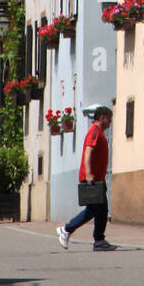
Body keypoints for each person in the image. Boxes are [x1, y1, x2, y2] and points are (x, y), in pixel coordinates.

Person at [57, 105, 115, 251]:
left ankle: (99, 240)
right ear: (103, 118)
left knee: (101, 210)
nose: (110, 122)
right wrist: (89, 174)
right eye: (109, 119)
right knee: (93, 210)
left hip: (98, 179)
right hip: (92, 178)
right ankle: (67, 229)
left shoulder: (98, 132)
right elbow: (88, 151)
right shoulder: (94, 132)